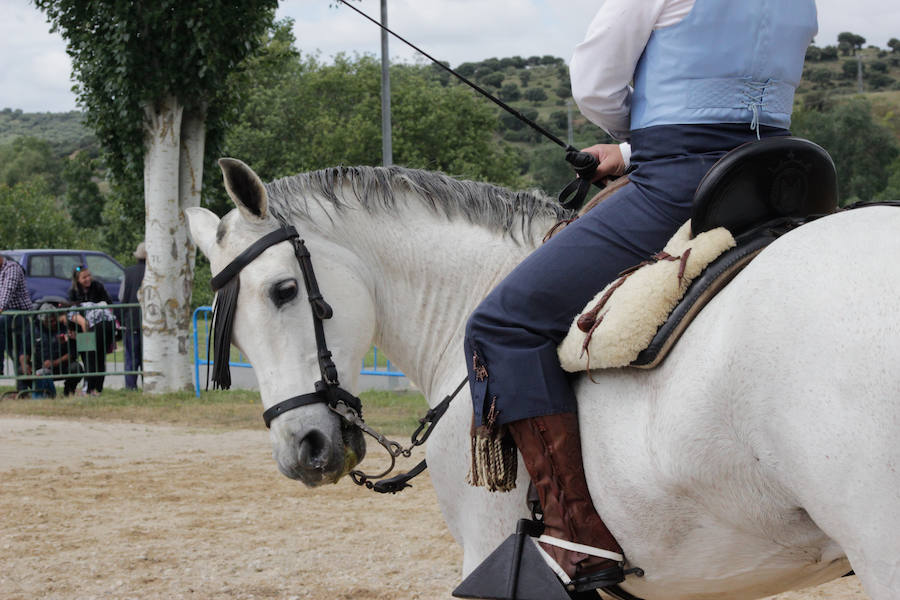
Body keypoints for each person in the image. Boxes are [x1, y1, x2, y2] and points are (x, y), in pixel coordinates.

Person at [462, 0, 817, 592]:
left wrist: (639, 141)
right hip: (780, 176)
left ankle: (576, 535)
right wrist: (630, 155)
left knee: (503, 325)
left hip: (680, 185)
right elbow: (746, 104)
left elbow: (596, 86)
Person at [68, 264, 116, 395]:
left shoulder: (98, 286)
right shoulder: (73, 292)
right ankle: (89, 387)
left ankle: (97, 388)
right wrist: (72, 328)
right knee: (88, 357)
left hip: (100, 327)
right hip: (83, 330)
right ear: (78, 280)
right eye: (84, 277)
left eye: (89, 276)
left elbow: (108, 303)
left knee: (99, 358)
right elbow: (71, 311)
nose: (88, 279)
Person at [18, 303, 83, 397]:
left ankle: (68, 392)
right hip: (39, 367)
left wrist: (54, 362)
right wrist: (25, 364)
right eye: (49, 321)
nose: (53, 323)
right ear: (42, 320)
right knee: (21, 370)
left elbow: (73, 353)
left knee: (76, 368)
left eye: (54, 320)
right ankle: (26, 395)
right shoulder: (33, 328)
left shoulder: (65, 326)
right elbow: (24, 351)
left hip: (61, 366)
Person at [0, 254, 35, 388]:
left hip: (21, 316)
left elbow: (6, 293)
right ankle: (23, 390)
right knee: (15, 355)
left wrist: (1, 307)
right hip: (7, 318)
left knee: (22, 355)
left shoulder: (12, 268)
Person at [118, 241, 146, 390]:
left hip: (132, 320)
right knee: (147, 357)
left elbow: (122, 296)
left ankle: (130, 386)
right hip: (150, 322)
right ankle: (148, 383)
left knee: (131, 357)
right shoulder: (155, 272)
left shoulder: (128, 272)